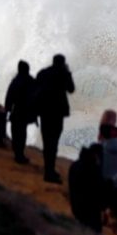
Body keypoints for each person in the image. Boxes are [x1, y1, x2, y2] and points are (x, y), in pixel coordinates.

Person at [35, 54, 75, 183]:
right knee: (54, 142)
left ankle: (48, 170)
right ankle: (49, 172)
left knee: (47, 141)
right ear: (63, 63)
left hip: (44, 112)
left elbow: (35, 90)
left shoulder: (43, 73)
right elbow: (71, 89)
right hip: (57, 113)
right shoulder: (64, 73)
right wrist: (68, 72)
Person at [4, 61, 36, 164]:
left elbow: (9, 96)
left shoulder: (16, 80)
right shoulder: (30, 80)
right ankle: (19, 154)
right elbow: (36, 97)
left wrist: (7, 110)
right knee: (22, 133)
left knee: (16, 132)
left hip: (17, 111)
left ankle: (18, 153)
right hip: (25, 112)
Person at [68, 146, 106, 232]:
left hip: (76, 207)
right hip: (90, 211)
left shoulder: (74, 165)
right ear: (96, 156)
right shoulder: (93, 169)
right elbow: (98, 192)